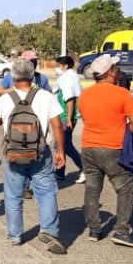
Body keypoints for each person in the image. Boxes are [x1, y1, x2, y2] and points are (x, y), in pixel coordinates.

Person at [0, 58, 67, 253]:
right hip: (41, 153)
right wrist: (60, 151)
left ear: (13, 77)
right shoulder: (46, 96)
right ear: (33, 76)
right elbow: (57, 125)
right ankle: (49, 230)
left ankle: (15, 235)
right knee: (46, 192)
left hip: (13, 155)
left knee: (13, 196)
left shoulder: (7, 98)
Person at [78, 54, 133, 247]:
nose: (118, 70)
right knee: (125, 188)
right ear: (110, 71)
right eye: (116, 67)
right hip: (113, 148)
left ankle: (94, 229)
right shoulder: (122, 93)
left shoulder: (85, 94)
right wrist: (125, 135)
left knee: (92, 188)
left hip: (89, 146)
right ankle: (121, 231)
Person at [53, 56, 85, 184]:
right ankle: (59, 172)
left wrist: (68, 119)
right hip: (66, 116)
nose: (58, 67)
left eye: (59, 65)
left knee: (65, 144)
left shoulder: (66, 78)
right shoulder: (73, 77)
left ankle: (85, 169)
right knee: (61, 144)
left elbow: (69, 99)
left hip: (65, 116)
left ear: (65, 66)